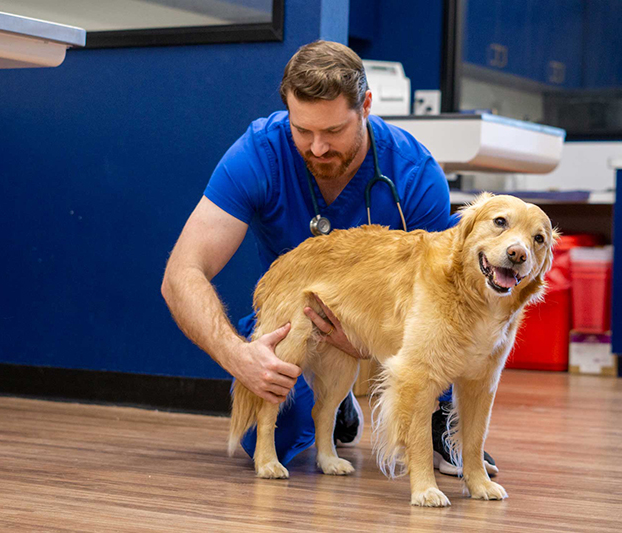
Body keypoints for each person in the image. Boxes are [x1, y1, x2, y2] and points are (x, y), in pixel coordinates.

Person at [161, 40, 496, 475]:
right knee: (277, 434)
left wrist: (368, 336)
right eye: (303, 131)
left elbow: (445, 301)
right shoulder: (258, 154)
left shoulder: (414, 172)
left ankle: (437, 418)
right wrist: (239, 356)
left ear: (366, 107)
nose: (317, 148)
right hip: (295, 312)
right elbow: (181, 274)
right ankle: (334, 411)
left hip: (389, 321)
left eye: (334, 132)